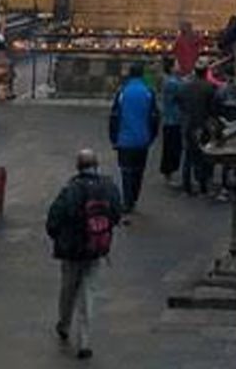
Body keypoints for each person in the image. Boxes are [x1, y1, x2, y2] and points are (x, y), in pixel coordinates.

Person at [46, 149, 122, 361]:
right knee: (88, 292)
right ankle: (85, 340)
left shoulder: (71, 189)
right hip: (95, 248)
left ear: (78, 167)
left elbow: (54, 219)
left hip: (71, 250)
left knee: (68, 288)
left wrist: (57, 237)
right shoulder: (108, 187)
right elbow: (116, 213)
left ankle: (64, 324)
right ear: (96, 165)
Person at [108, 62, 158, 217]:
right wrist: (151, 136)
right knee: (139, 171)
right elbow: (154, 116)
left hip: (124, 139)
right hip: (143, 140)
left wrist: (113, 137)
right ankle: (134, 198)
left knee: (126, 172)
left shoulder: (122, 92)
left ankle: (127, 200)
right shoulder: (149, 92)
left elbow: (114, 116)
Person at [177, 58, 218, 196]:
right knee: (203, 155)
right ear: (206, 71)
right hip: (203, 124)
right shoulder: (209, 88)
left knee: (188, 156)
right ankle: (203, 185)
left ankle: (186, 186)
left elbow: (179, 103)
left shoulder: (184, 86)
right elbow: (213, 108)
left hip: (188, 123)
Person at [158, 56, 184, 186]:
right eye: (177, 64)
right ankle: (169, 174)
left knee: (171, 148)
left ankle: (169, 173)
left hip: (170, 119)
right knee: (172, 148)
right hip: (173, 119)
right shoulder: (173, 83)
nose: (179, 66)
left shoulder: (169, 81)